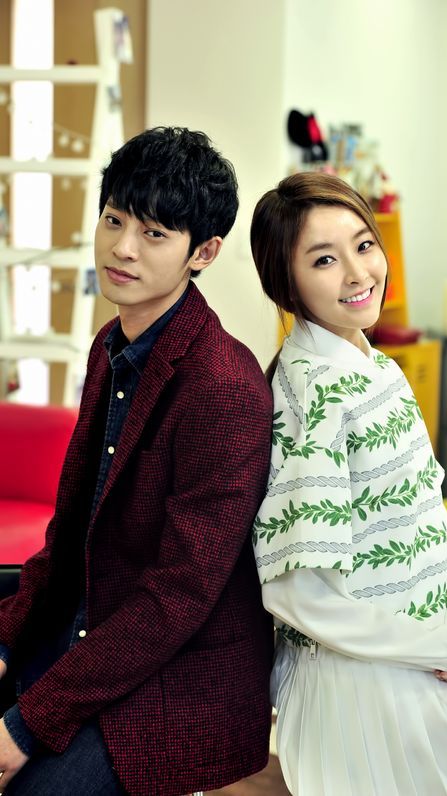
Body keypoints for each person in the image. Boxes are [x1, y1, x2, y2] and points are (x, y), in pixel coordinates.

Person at [0, 126, 274, 795]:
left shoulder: (224, 386)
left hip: (170, 677)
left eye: (154, 233)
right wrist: (6, 640)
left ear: (203, 252)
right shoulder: (111, 347)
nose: (122, 248)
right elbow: (67, 539)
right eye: (115, 219)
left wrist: (27, 724)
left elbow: (177, 598)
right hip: (88, 631)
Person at [249, 171, 447, 796]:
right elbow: (297, 591)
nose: (358, 273)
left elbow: (428, 514)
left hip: (416, 654)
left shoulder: (376, 367)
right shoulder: (315, 395)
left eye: (364, 245)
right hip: (359, 682)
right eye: (325, 259)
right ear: (285, 284)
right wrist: (445, 648)